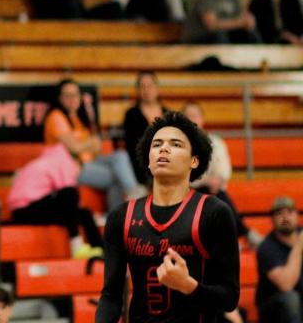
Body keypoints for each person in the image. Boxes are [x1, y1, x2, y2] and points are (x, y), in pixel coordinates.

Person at [95, 112, 240, 322]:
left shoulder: (214, 213)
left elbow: (229, 298)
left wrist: (188, 285)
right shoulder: (121, 216)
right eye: (156, 144)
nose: (163, 148)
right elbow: (110, 296)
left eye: (176, 144)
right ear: (148, 160)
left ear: (194, 160)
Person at [44, 79, 145, 211]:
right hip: (72, 168)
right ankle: (115, 218)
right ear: (59, 98)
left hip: (90, 161)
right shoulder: (56, 116)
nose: (72, 99)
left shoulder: (79, 118)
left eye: (75, 94)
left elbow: (97, 147)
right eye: (67, 95)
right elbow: (75, 148)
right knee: (116, 176)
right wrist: (89, 143)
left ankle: (133, 190)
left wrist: (87, 144)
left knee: (120, 155)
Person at [182, 101, 262, 249]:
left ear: (202, 119)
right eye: (188, 116)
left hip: (213, 190)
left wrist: (216, 180)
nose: (192, 119)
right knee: (214, 197)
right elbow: (183, 176)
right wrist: (206, 180)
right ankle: (242, 234)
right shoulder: (178, 145)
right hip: (187, 193)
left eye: (196, 115)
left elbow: (224, 169)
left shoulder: (216, 142)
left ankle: (231, 239)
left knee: (216, 195)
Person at [7, 143, 103, 259]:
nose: (76, 177)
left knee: (84, 214)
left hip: (24, 210)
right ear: (76, 164)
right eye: (78, 173)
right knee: (70, 193)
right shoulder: (65, 162)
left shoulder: (50, 160)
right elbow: (69, 193)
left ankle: (101, 251)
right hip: (26, 209)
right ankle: (77, 246)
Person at [255, 195, 303, 323]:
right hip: (274, 309)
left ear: (297, 215)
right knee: (290, 298)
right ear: (272, 219)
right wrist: (299, 245)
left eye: (290, 212)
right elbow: (286, 285)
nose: (285, 218)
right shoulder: (267, 247)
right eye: (280, 214)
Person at [121, 71, 171, 183]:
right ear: (137, 90)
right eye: (142, 86)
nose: (146, 90)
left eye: (150, 85)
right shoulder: (131, 114)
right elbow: (132, 147)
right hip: (141, 167)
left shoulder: (167, 114)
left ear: (157, 88)